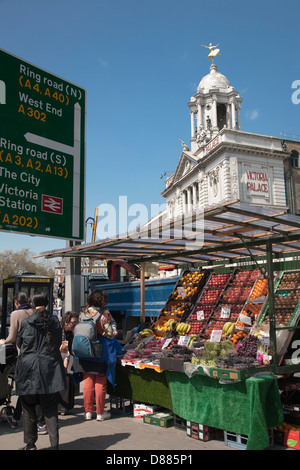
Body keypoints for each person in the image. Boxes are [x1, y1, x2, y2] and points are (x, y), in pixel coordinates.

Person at [15, 293, 66, 450]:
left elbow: (19, 342)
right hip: (50, 370)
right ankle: (54, 444)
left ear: (32, 304)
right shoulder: (55, 322)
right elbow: (57, 343)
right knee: (50, 409)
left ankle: (30, 444)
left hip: (29, 370)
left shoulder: (26, 323)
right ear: (47, 303)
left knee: (28, 408)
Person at [72, 289, 122, 421]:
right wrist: (114, 332)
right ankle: (100, 412)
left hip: (84, 351)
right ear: (101, 300)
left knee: (88, 381)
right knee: (100, 381)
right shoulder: (104, 313)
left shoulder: (83, 312)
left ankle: (87, 412)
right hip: (100, 351)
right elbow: (109, 332)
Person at [0, 292, 35, 428]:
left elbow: (12, 337)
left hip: (23, 354)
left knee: (23, 386)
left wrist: (3, 341)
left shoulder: (15, 314)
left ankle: (17, 417)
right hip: (36, 353)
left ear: (16, 302)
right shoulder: (33, 312)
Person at [58, 311, 79, 415]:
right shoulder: (61, 332)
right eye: (73, 322)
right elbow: (64, 350)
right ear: (65, 322)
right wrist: (65, 364)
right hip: (55, 358)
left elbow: (67, 350)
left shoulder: (69, 333)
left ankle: (64, 405)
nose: (74, 325)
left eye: (76, 322)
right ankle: (61, 406)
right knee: (64, 377)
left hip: (61, 356)